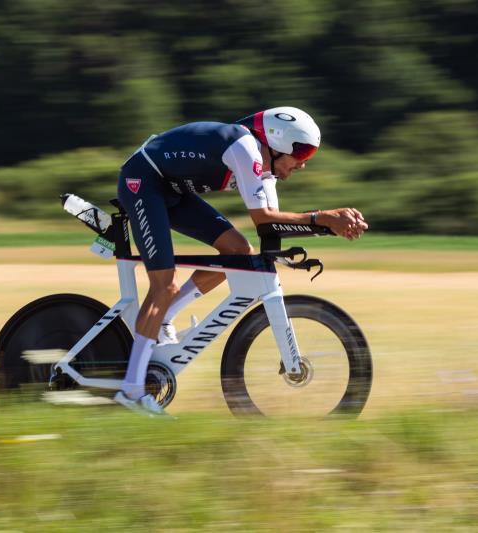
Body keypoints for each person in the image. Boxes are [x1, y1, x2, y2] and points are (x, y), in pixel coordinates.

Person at [113, 106, 367, 415]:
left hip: (171, 191)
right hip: (143, 182)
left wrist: (327, 227)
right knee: (163, 286)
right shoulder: (245, 148)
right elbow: (264, 219)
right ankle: (132, 391)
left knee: (240, 254)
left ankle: (165, 317)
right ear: (277, 142)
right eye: (302, 152)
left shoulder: (266, 168)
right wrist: (323, 219)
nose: (303, 164)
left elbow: (272, 227)